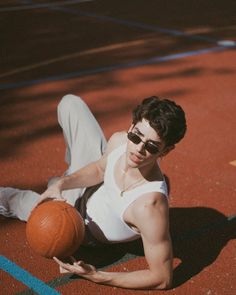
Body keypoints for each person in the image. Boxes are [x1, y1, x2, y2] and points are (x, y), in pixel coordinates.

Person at [0, 94, 187, 290]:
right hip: (90, 189)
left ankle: (59, 182)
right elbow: (99, 169)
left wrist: (96, 276)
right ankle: (62, 177)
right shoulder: (120, 141)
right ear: (131, 127)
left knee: (12, 200)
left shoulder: (149, 207)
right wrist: (62, 185)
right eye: (136, 136)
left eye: (151, 146)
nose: (138, 149)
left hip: (75, 225)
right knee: (70, 104)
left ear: (166, 151)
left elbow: (162, 278)